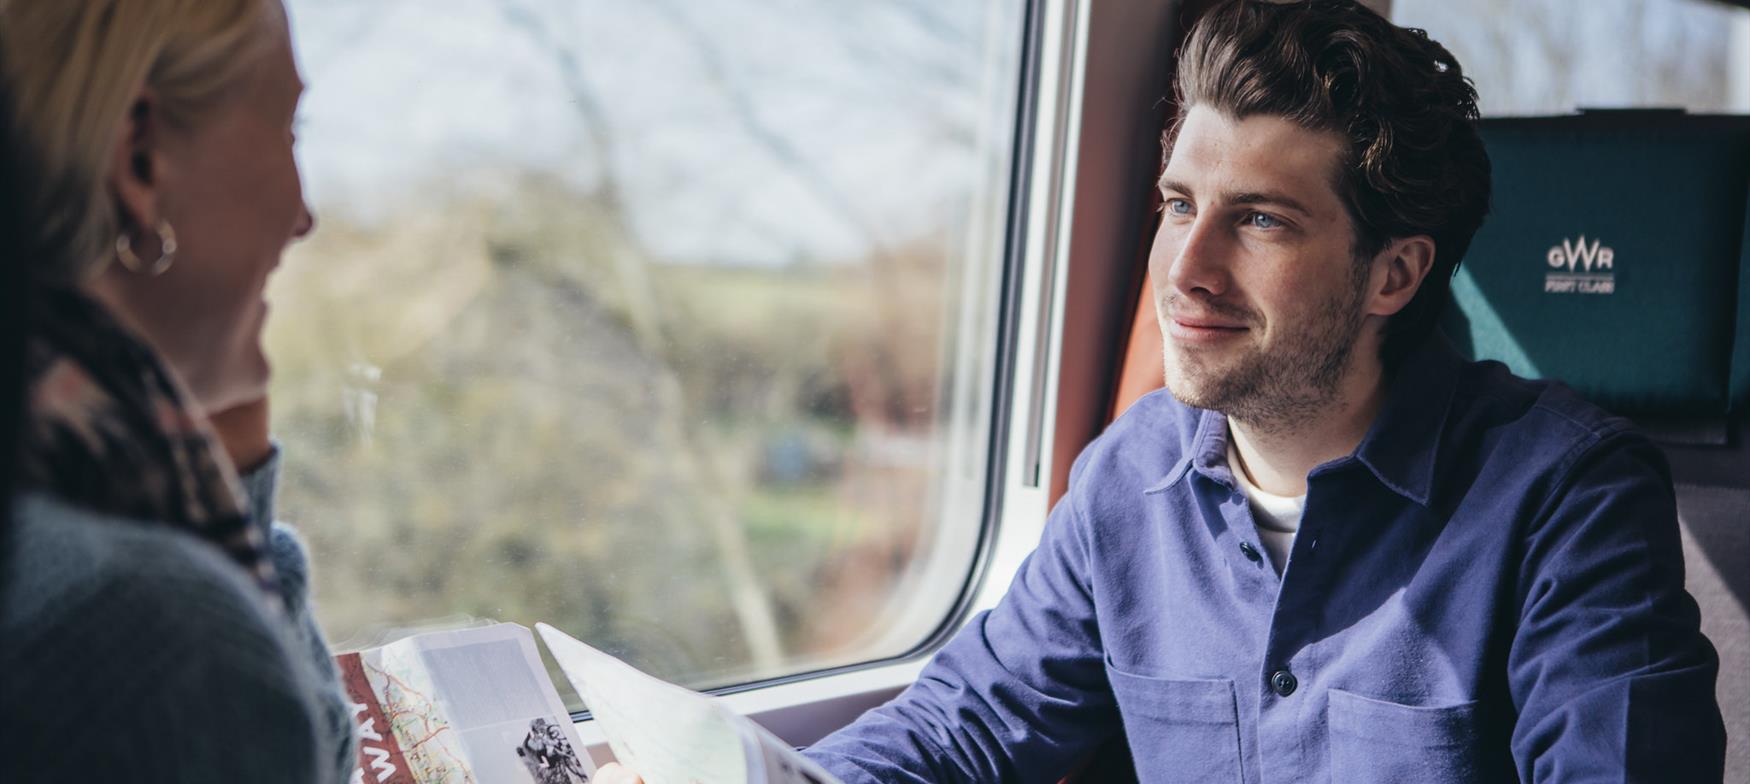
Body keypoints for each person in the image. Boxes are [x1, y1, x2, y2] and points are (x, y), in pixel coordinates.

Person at [597, 1, 1724, 782]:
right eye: (1180, 205)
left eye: (1260, 220)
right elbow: (963, 730)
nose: (1184, 270)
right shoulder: (1132, 477)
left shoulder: (1565, 496)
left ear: (1394, 272)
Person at [0, 0, 355, 781]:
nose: (304, 218)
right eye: (288, 131)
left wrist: (231, 469)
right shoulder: (137, 632)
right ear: (140, 157)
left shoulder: (97, 477)